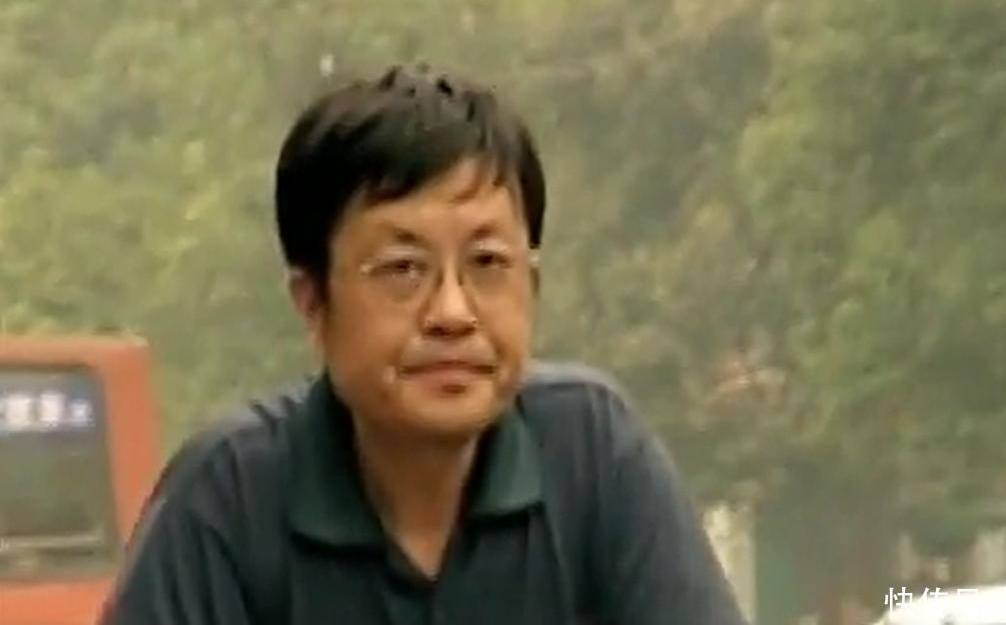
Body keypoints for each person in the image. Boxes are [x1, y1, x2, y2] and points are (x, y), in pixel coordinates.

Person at [98, 63, 749, 625]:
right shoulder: (230, 499)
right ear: (312, 301)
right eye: (403, 269)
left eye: (487, 263)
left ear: (531, 283)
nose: (452, 314)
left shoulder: (592, 455)